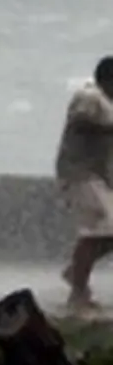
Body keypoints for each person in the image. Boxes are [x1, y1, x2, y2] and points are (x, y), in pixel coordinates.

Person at [56, 56, 113, 313]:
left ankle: (75, 272)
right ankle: (77, 293)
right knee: (98, 229)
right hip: (78, 173)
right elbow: (80, 120)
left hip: (97, 176)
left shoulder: (107, 102)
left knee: (106, 230)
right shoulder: (90, 97)